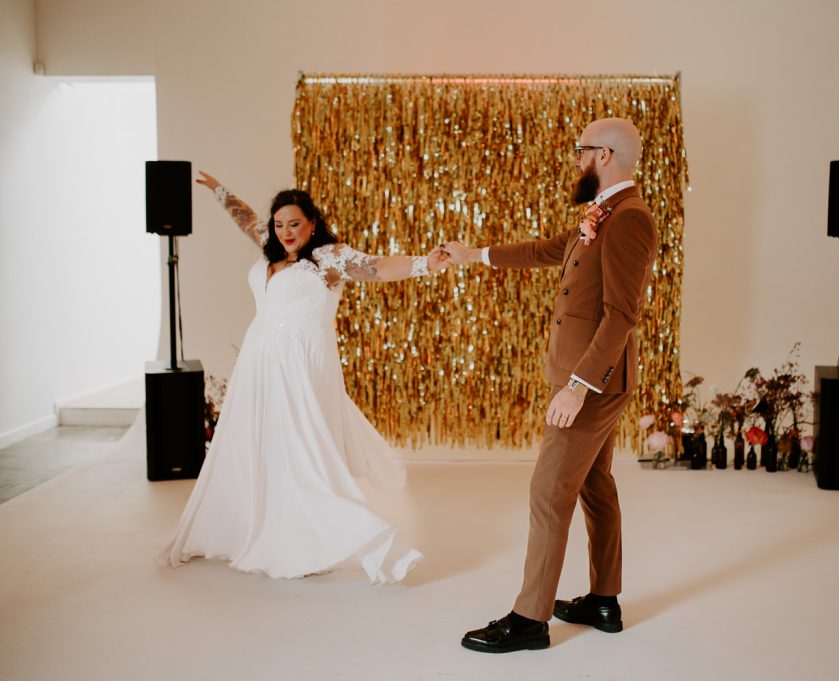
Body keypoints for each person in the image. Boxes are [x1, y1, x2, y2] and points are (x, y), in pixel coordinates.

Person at [157, 171, 449, 582]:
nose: (285, 232)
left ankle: (335, 535)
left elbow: (377, 267)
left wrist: (425, 263)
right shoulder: (269, 247)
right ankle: (258, 524)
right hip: (259, 363)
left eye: (294, 223)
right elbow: (244, 218)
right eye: (279, 224)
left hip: (302, 364)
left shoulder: (328, 257)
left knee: (302, 452)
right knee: (258, 446)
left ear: (312, 223)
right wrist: (220, 190)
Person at [444, 118, 659, 652]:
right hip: (590, 377)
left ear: (604, 154)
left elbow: (620, 315)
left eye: (580, 150)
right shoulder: (604, 211)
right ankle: (603, 600)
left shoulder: (629, 218)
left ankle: (529, 618)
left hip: (593, 380)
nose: (575, 159)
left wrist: (579, 386)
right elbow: (552, 249)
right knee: (594, 484)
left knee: (548, 490)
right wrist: (477, 254)